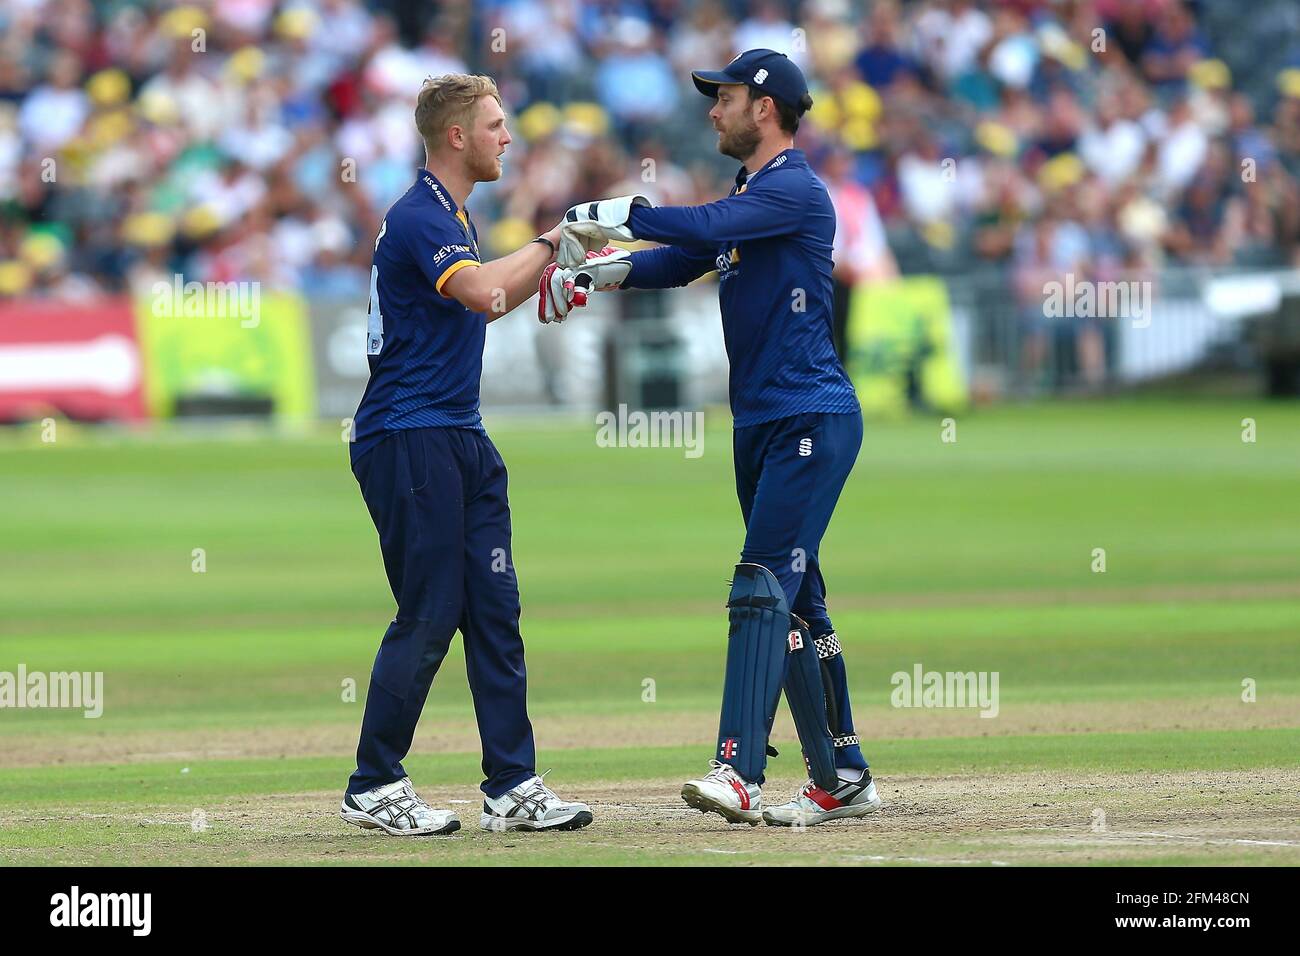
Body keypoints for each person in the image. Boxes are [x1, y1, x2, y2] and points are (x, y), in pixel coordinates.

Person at [555, 50, 881, 827]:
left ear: (764, 108)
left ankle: (737, 771)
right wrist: (600, 271)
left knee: (760, 583)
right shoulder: (751, 191)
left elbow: (705, 226)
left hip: (809, 415)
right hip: (763, 422)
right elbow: (690, 256)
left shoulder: (793, 188)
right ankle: (843, 774)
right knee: (798, 600)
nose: (712, 110)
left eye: (724, 97)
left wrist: (617, 213)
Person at [340, 73, 592, 836]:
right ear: (456, 135)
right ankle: (374, 782)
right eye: (494, 125)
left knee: (494, 609)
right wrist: (553, 241)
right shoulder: (421, 215)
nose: (506, 137)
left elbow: (488, 297)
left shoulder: (453, 216)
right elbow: (483, 294)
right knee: (430, 612)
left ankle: (512, 785)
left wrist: (550, 272)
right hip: (410, 433)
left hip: (457, 431)